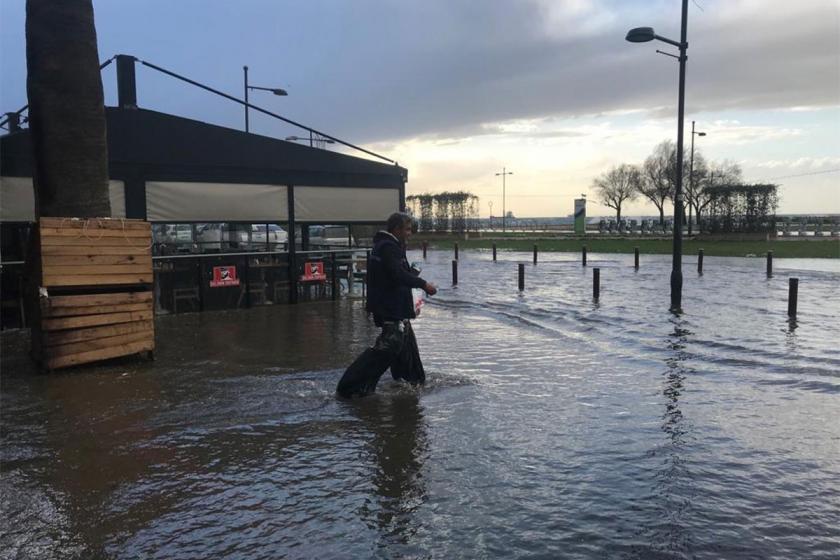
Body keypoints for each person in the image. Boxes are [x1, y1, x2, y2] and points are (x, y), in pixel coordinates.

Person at [336, 212, 437, 398]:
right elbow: (397, 275)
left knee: (405, 347)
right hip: (391, 308)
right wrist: (424, 284)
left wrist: (410, 275)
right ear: (396, 229)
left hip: (392, 307)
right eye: (407, 229)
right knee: (388, 346)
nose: (410, 233)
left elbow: (394, 274)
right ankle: (351, 386)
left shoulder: (384, 246)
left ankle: (411, 381)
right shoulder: (389, 248)